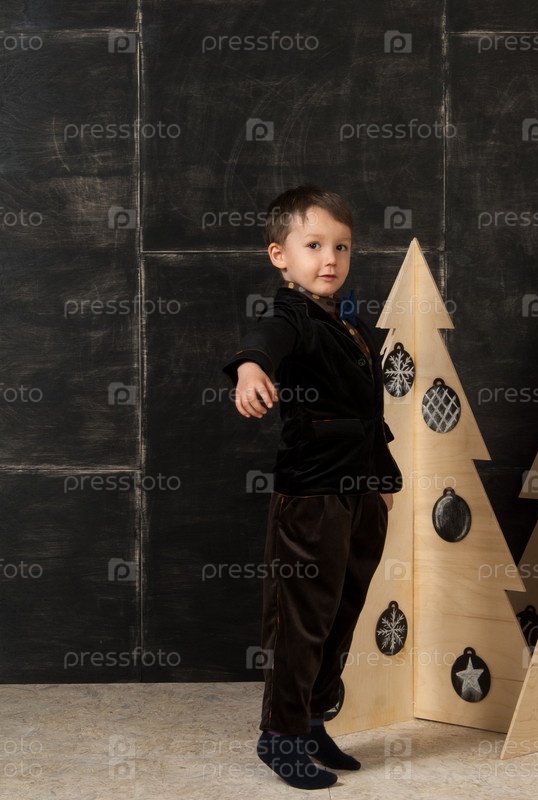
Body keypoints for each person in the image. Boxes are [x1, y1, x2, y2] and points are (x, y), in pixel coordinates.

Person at [222, 185, 402, 790]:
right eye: (315, 245)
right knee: (302, 617)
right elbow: (266, 341)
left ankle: (314, 721)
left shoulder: (349, 322)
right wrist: (250, 366)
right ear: (280, 255)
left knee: (343, 610)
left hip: (362, 491)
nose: (330, 258)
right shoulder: (292, 316)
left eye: (341, 247)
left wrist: (382, 480)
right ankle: (280, 734)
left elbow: (368, 413)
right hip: (313, 495)